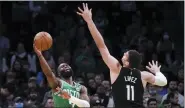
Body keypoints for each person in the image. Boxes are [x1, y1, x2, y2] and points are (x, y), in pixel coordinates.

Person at [77, 3, 167, 108]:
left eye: (125, 55)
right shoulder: (144, 75)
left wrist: (89, 21)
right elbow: (163, 82)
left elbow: (101, 45)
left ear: (127, 62)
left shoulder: (117, 69)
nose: (123, 54)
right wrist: (157, 71)